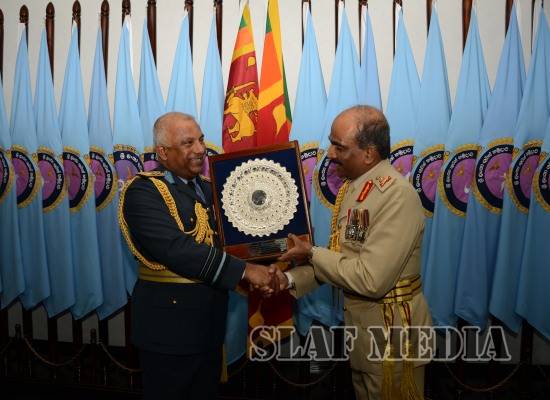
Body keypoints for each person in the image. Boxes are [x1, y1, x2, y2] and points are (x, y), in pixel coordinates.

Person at [265, 105, 433, 399]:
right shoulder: (355, 189)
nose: (330, 153)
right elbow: (341, 262)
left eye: (339, 146)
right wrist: (288, 280)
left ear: (369, 154)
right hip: (364, 336)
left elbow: (370, 279)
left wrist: (312, 253)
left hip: (392, 339)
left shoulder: (396, 196)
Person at [119, 112, 276, 400]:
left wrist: (275, 252)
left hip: (210, 325)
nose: (200, 149)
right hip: (168, 332)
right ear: (162, 152)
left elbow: (234, 244)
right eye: (188, 142)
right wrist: (247, 272)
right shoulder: (143, 191)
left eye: (201, 140)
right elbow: (177, 249)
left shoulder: (210, 188)